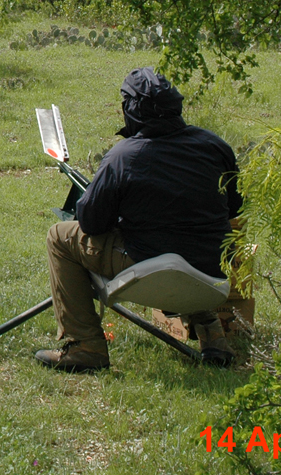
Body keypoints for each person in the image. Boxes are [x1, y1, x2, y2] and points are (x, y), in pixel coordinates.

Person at [34, 67, 242, 372]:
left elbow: (91, 223)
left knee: (59, 236)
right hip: (211, 275)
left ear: (130, 110)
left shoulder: (124, 156)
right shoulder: (215, 146)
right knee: (195, 238)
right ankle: (213, 339)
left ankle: (84, 347)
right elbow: (234, 208)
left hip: (151, 270)